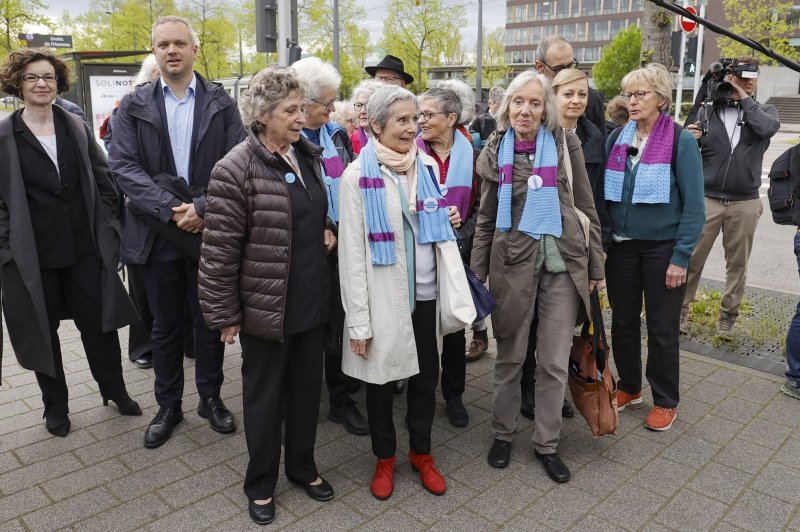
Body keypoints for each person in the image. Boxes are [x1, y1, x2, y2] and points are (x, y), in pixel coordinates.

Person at [199, 66, 336, 526]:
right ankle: (260, 483)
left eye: (302, 108)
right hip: (265, 307)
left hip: (310, 300)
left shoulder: (307, 154)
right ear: (262, 114)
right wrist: (224, 314)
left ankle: (302, 468)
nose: (302, 118)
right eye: (291, 110)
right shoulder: (235, 168)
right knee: (263, 399)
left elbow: (317, 208)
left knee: (305, 393)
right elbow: (218, 251)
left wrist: (328, 229)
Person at [109, 15, 246, 448]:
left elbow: (239, 162)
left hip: (209, 232)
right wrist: (173, 211)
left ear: (194, 50)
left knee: (209, 320)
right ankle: (168, 406)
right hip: (157, 235)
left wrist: (203, 208)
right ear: (154, 51)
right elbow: (123, 168)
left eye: (179, 44)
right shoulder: (134, 105)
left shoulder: (222, 104)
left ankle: (211, 398)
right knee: (165, 327)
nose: (172, 50)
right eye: (163, 44)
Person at [471, 70, 605, 483]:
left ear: (545, 107)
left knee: (552, 363)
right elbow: (486, 219)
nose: (525, 110)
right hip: (512, 264)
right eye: (518, 102)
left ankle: (547, 443)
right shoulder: (494, 152)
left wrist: (596, 268)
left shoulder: (566, 143)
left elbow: (586, 206)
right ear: (506, 107)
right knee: (510, 356)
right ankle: (502, 433)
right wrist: (476, 276)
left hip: (563, 266)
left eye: (534, 102)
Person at [0, 48, 141, 437]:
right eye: (31, 77)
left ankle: (115, 390)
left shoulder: (75, 126)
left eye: (48, 77)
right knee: (41, 332)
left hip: (83, 248)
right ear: (18, 83)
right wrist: (6, 248)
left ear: (58, 82)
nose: (41, 84)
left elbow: (103, 177)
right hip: (33, 254)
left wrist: (109, 224)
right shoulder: (5, 136)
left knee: (100, 325)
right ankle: (55, 406)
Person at [338, 84, 466, 501]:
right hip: (384, 301)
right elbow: (352, 256)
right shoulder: (357, 177)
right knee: (381, 381)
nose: (415, 127)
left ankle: (421, 453)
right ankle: (384, 457)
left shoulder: (425, 166)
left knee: (426, 380)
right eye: (404, 120)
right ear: (375, 125)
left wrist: (447, 215)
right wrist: (358, 320)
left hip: (427, 297)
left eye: (417, 119)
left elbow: (430, 226)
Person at [605, 64, 705, 431]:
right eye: (628, 94)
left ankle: (665, 400)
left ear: (661, 98)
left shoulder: (681, 141)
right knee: (624, 322)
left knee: (662, 328)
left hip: (663, 250)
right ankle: (630, 387)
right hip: (621, 248)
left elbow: (695, 207)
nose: (632, 101)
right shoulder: (616, 137)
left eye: (640, 94)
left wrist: (681, 257)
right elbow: (606, 199)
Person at [518, 68, 612, 422]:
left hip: (575, 243)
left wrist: (596, 246)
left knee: (562, 328)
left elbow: (594, 197)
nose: (575, 101)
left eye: (582, 94)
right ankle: (529, 388)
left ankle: (555, 393)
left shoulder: (593, 136)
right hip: (536, 243)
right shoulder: (533, 137)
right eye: (567, 94)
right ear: (551, 100)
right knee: (527, 328)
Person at [291, 56, 368, 436]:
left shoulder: (335, 135)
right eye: (326, 103)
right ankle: (298, 401)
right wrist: (322, 225)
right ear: (302, 104)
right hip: (307, 248)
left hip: (342, 242)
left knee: (340, 323)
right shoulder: (286, 141)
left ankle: (341, 401)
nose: (333, 110)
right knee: (307, 328)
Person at [682, 57, 779, 338]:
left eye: (753, 77)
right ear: (729, 77)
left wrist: (744, 98)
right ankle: (680, 312)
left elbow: (767, 129)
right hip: (707, 199)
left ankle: (728, 319)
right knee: (691, 258)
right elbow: (686, 146)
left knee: (737, 264)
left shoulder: (764, 110)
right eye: (741, 76)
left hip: (745, 202)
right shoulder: (707, 110)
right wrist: (691, 137)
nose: (748, 81)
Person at [417, 85, 481, 427]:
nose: (420, 121)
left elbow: (483, 208)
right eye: (419, 115)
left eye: (428, 115)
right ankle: (420, 389)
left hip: (457, 249)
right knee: (420, 322)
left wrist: (462, 225)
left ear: (451, 118)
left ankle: (454, 395)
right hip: (420, 251)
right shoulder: (409, 151)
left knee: (455, 324)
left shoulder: (475, 153)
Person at [535, 35, 606, 140]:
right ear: (540, 67)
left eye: (571, 65)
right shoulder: (530, 98)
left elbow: (598, 146)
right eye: (559, 69)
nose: (567, 72)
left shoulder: (593, 99)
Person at [350, 79, 381, 155]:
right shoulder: (350, 141)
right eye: (359, 105)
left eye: (368, 105)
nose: (362, 111)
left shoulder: (392, 139)